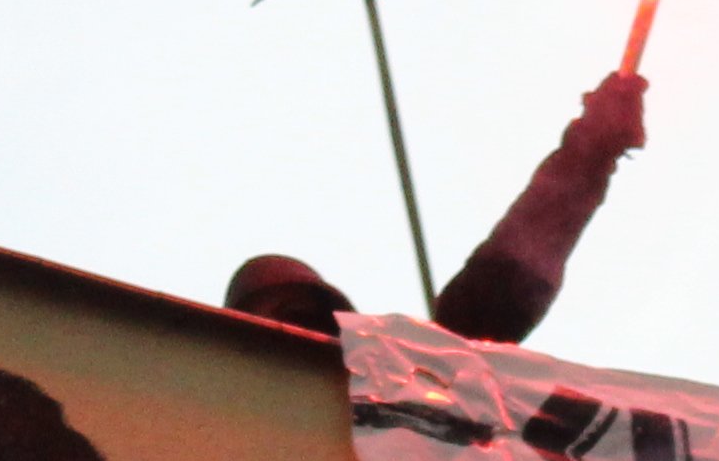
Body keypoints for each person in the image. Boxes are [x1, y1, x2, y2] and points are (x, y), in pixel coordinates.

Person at [228, 76, 648, 346]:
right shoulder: (205, 433)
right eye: (289, 316)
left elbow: (505, 279)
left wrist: (591, 150)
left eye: (317, 318)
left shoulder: (403, 391)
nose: (304, 330)